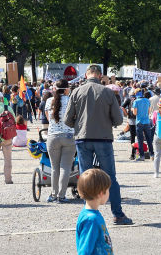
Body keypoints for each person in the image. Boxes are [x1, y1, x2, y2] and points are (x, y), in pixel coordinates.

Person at [64, 65, 132, 225]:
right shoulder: (107, 92)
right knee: (110, 177)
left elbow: (67, 119)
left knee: (86, 177)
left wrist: (79, 125)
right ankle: (118, 214)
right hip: (103, 138)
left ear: (86, 75)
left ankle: (89, 214)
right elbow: (118, 120)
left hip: (83, 138)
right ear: (100, 75)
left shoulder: (76, 92)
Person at [46, 80, 77, 202]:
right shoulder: (71, 100)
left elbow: (49, 119)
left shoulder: (49, 101)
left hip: (53, 136)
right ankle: (62, 195)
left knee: (55, 167)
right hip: (69, 135)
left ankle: (53, 194)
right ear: (65, 89)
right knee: (65, 167)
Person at [132, 90, 152, 161]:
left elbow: (135, 113)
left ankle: (142, 156)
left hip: (139, 122)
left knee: (140, 140)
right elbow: (149, 111)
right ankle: (152, 154)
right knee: (149, 139)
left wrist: (132, 110)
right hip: (147, 121)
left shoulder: (136, 101)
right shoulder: (147, 100)